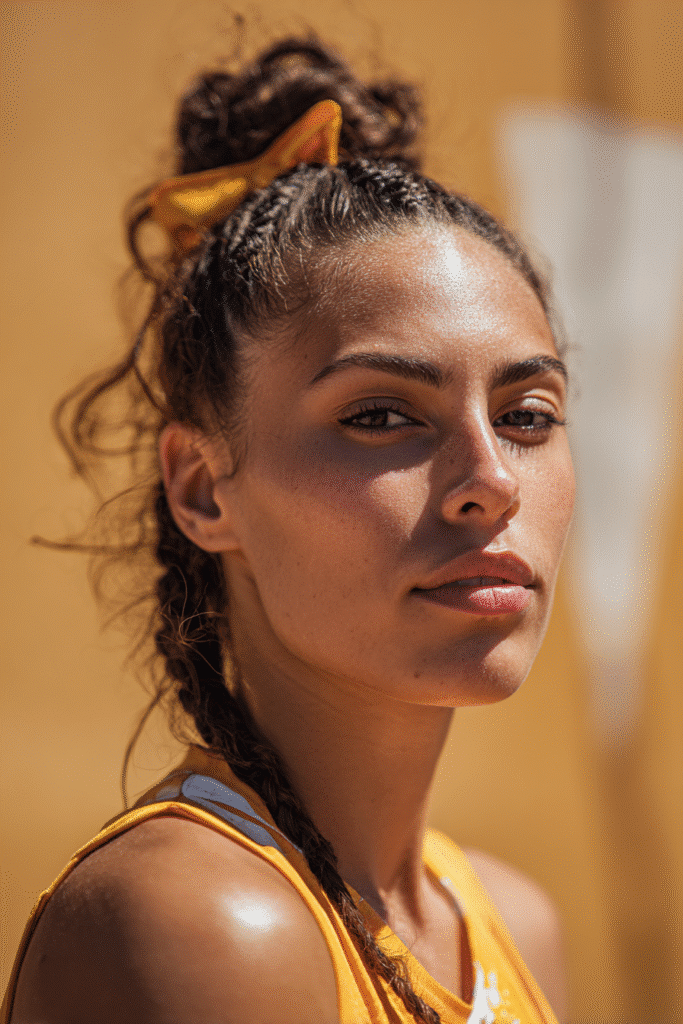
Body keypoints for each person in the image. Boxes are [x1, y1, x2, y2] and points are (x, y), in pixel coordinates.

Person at [3, 35, 575, 1024]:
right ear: (201, 487)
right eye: (381, 415)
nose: (489, 481)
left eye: (526, 415)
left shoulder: (515, 924)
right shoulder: (200, 922)